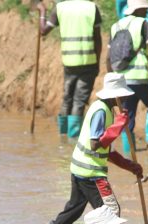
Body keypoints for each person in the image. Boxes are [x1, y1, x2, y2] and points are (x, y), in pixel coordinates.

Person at [36, 73, 143, 224]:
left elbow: (106, 150)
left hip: (80, 169)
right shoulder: (101, 111)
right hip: (91, 173)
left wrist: (130, 166)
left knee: (72, 211)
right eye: (123, 95)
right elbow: (95, 144)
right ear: (115, 95)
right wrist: (118, 125)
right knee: (111, 211)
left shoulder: (106, 110)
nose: (124, 98)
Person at [36, 0, 102, 138]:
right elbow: (97, 38)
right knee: (79, 100)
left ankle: (63, 136)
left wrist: (42, 12)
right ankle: (73, 139)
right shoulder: (91, 8)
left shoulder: (60, 8)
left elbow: (43, 31)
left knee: (67, 99)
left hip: (69, 62)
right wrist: (97, 62)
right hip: (88, 61)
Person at [108, 0, 148, 152]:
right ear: (139, 9)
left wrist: (112, 78)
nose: (146, 12)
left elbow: (108, 57)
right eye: (145, 9)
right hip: (140, 77)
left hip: (122, 80)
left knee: (127, 115)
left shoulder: (115, 26)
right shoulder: (143, 24)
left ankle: (128, 151)